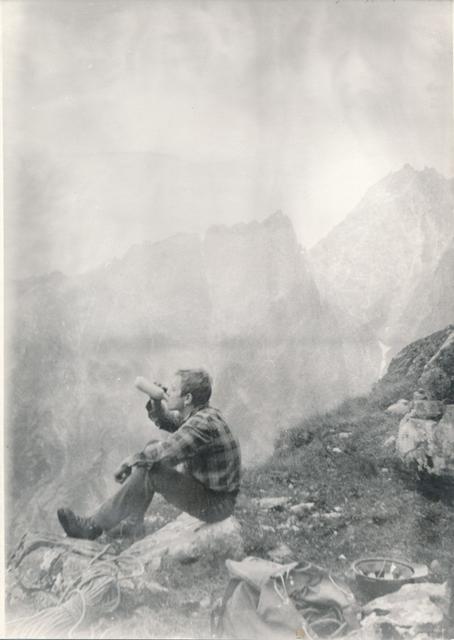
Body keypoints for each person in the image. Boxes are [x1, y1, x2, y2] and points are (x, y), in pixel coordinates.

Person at [57, 368, 241, 540]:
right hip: (212, 494)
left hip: (216, 505)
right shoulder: (201, 414)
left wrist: (130, 462)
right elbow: (169, 422)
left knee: (151, 470)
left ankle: (92, 527)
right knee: (151, 448)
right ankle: (133, 524)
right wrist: (156, 401)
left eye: (173, 389)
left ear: (187, 398)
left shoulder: (202, 423)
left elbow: (165, 452)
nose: (167, 391)